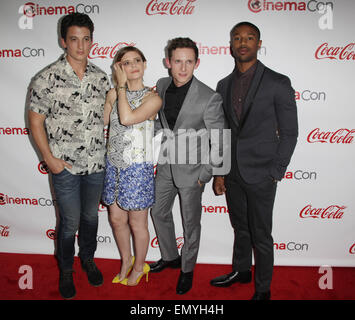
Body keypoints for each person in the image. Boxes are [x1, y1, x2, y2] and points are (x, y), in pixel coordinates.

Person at [210, 22, 298, 300]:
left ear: (259, 43)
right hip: (233, 172)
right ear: (231, 45)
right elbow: (222, 132)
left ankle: (263, 289)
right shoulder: (223, 85)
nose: (243, 42)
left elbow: (290, 132)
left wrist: (276, 171)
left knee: (261, 234)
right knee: (240, 227)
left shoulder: (277, 82)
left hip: (262, 173)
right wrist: (220, 172)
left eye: (249, 38)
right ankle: (241, 271)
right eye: (237, 38)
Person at [28, 13, 110, 299]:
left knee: (90, 217)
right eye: (74, 39)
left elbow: (112, 116)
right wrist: (48, 158)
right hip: (64, 166)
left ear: (92, 42)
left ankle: (87, 259)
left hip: (97, 163)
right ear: (63, 41)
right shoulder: (45, 78)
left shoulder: (102, 78)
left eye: (86, 39)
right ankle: (66, 269)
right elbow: (35, 121)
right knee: (69, 222)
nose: (80, 46)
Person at [149, 37, 226, 295]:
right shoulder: (161, 85)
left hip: (193, 172)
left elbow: (221, 140)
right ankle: (170, 257)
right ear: (168, 62)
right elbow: (161, 123)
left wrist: (206, 174)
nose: (183, 67)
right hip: (165, 165)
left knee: (190, 222)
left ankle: (187, 268)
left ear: (197, 63)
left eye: (189, 61)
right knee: (158, 213)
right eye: (178, 61)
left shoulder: (209, 97)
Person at [102, 46, 162, 286]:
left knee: (138, 223)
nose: (133, 65)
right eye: (126, 62)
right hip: (114, 165)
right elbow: (105, 122)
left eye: (137, 60)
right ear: (119, 68)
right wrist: (111, 96)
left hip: (137, 168)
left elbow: (127, 118)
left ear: (145, 64)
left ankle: (140, 266)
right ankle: (126, 260)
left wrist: (120, 87)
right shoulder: (113, 94)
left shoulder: (153, 98)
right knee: (117, 219)